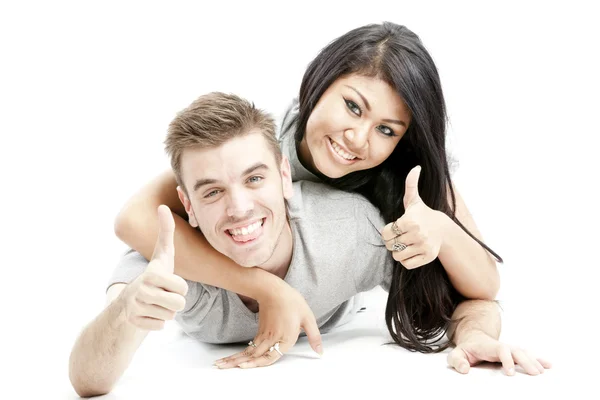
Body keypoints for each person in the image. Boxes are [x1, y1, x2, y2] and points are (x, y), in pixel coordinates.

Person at [69, 92, 549, 398]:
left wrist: (475, 337)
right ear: (186, 207)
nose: (238, 208)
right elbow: (88, 378)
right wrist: (124, 311)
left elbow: (473, 294)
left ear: (284, 176)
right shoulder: (170, 256)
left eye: (254, 178)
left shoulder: (353, 229)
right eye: (211, 191)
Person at [113, 22, 502, 361]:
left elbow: (486, 285)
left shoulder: (405, 175)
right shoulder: (259, 151)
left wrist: (442, 230)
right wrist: (265, 288)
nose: (358, 138)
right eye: (353, 106)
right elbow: (134, 220)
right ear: (319, 83)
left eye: (387, 129)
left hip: (333, 304)